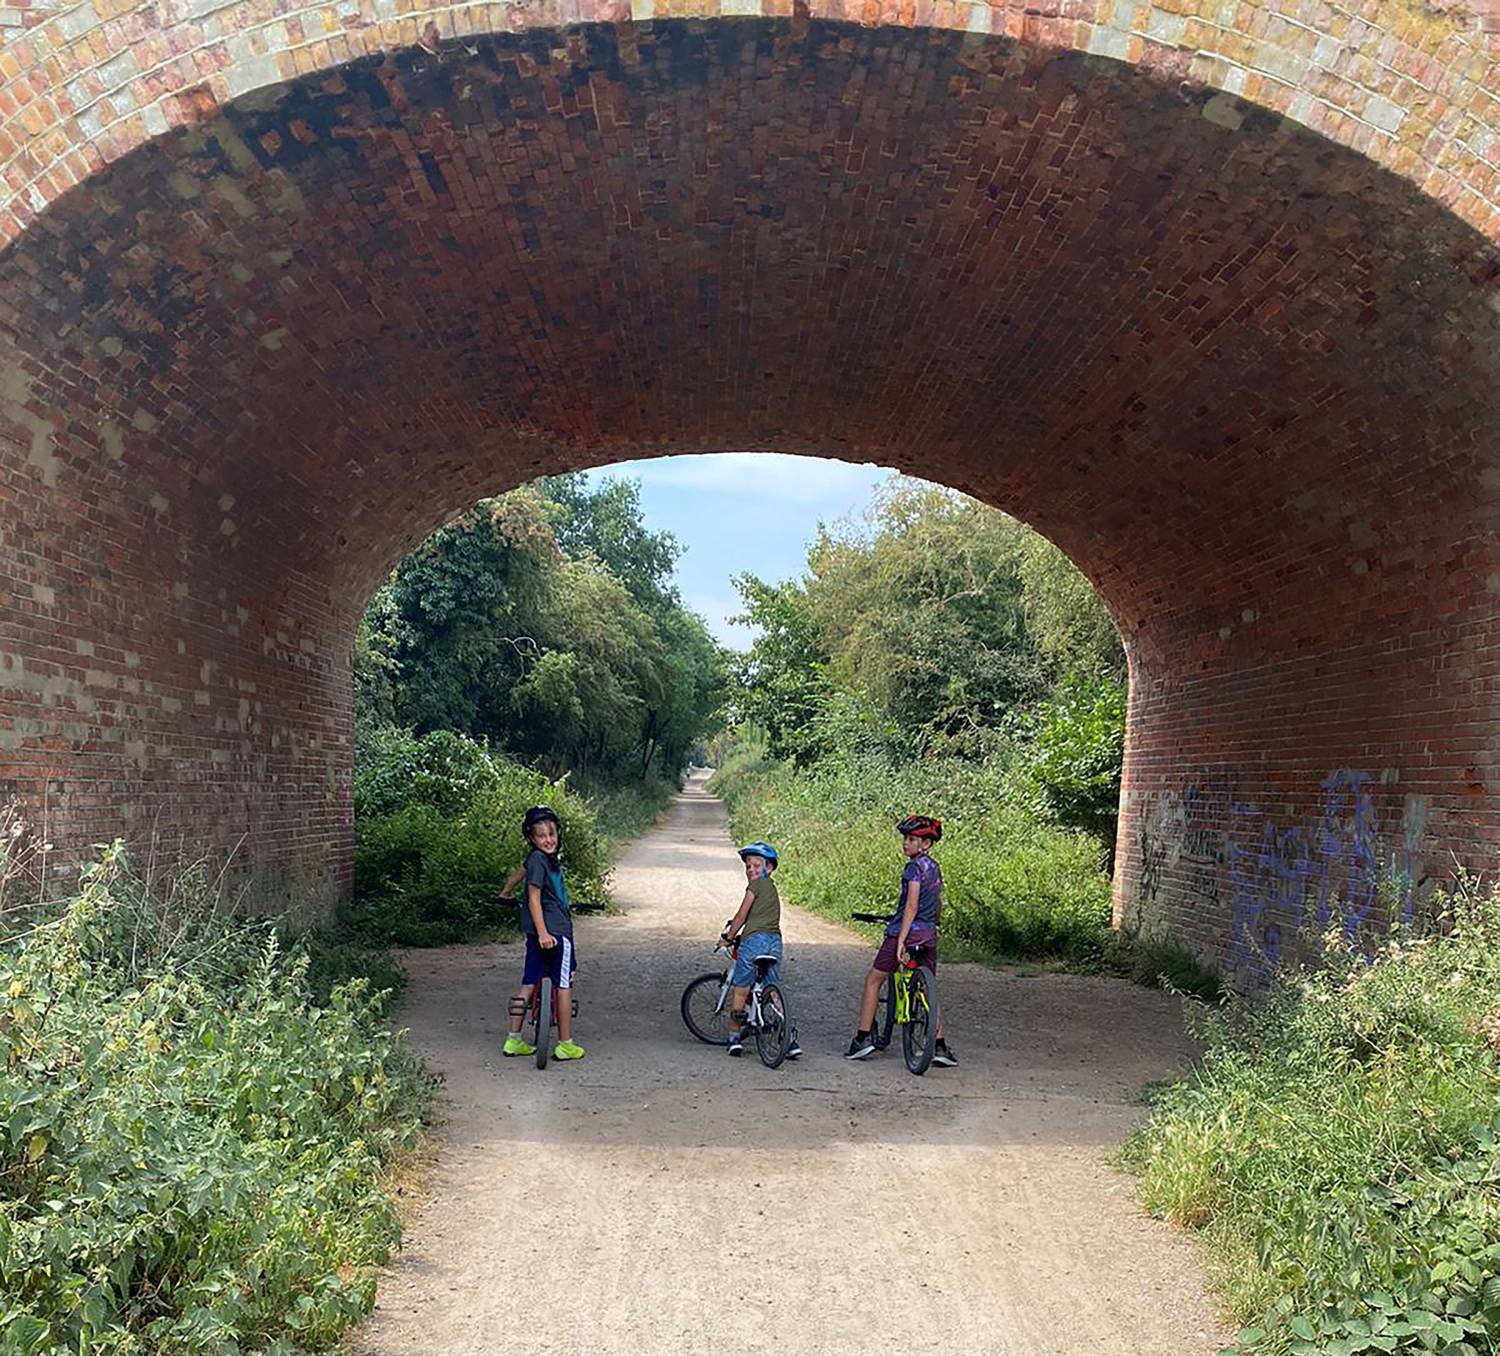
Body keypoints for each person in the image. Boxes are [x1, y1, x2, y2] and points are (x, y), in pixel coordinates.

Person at [845, 814, 957, 1066]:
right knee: (929, 988)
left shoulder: (913, 869)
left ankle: (862, 1039)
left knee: (874, 980)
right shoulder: (935, 868)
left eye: (912, 839)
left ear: (926, 844)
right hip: (928, 934)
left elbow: (911, 905)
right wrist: (932, 926)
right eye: (905, 839)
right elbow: (935, 905)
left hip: (905, 932)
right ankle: (939, 1046)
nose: (906, 843)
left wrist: (900, 940)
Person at [502, 805, 585, 1061]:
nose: (548, 839)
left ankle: (513, 1040)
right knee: (563, 984)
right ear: (531, 838)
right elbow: (534, 897)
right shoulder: (541, 860)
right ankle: (565, 1044)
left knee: (529, 983)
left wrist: (505, 892)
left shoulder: (536, 859)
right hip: (555, 933)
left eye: (551, 834)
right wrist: (543, 933)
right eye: (541, 835)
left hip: (539, 933)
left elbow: (520, 872)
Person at [721, 841, 801, 1060]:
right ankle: (789, 1039)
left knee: (741, 989)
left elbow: (741, 916)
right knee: (772, 990)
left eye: (757, 866)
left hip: (753, 941)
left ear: (769, 868)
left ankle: (734, 1037)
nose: (751, 870)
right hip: (774, 943)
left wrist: (728, 938)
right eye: (748, 866)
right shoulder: (773, 888)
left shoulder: (755, 887)